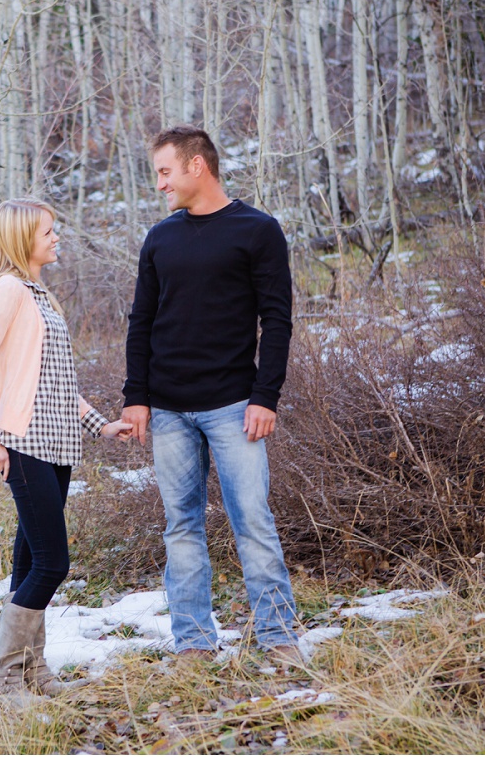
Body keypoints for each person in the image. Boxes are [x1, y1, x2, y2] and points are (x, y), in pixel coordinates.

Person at [121, 126, 302, 664]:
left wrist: (265, 396)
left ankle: (278, 639)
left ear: (196, 166)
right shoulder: (160, 238)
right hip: (170, 409)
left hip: (234, 406)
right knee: (181, 527)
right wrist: (137, 397)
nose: (160, 185)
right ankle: (195, 644)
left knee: (253, 520)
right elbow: (141, 322)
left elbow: (278, 319)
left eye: (164, 172)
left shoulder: (257, 230)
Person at [0, 198, 132, 705]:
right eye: (48, 232)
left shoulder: (39, 295)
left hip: (57, 444)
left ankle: (33, 671)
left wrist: (101, 425)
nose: (57, 238)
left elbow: (54, 382)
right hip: (23, 443)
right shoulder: (9, 290)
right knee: (53, 563)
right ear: (21, 240)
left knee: (29, 563)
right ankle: (3, 681)